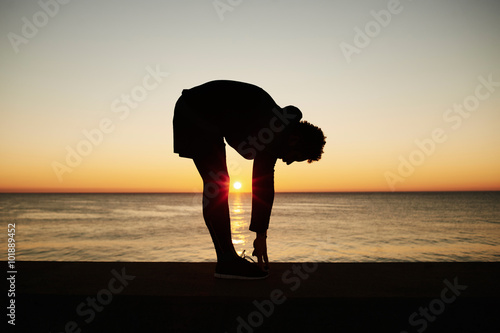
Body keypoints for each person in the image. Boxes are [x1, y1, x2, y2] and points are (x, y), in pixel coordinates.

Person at [173, 80, 326, 279]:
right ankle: (227, 261)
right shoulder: (273, 130)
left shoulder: (276, 127)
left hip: (204, 114)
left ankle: (227, 260)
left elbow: (264, 181)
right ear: (294, 139)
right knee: (218, 183)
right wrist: (260, 236)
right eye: (294, 157)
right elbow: (262, 184)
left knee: (218, 182)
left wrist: (261, 236)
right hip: (194, 111)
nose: (287, 162)